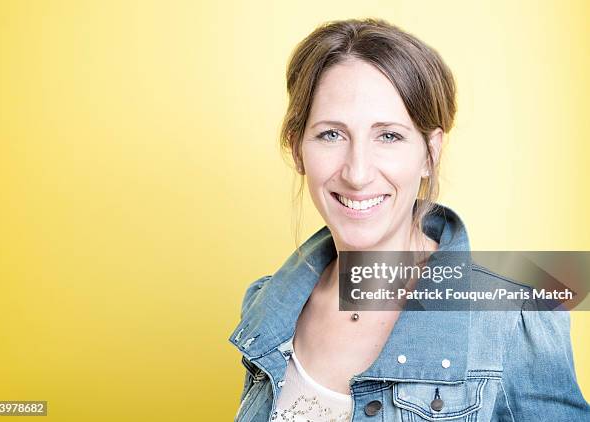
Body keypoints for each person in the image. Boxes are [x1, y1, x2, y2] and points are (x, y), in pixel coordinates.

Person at [228, 18, 590, 421]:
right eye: (331, 134)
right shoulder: (266, 308)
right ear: (297, 150)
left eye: (388, 136)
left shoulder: (516, 315)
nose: (358, 173)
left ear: (430, 152)